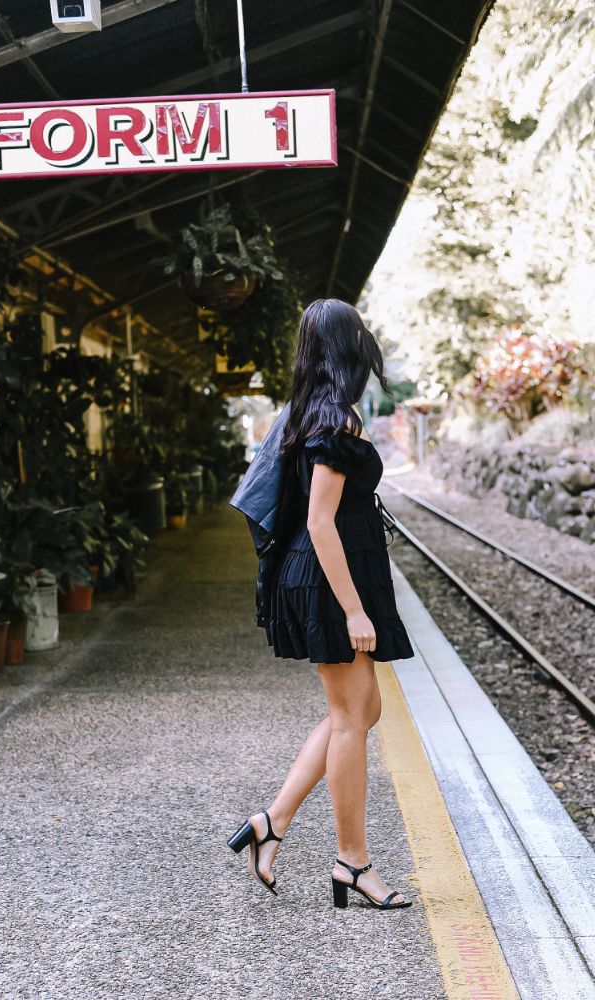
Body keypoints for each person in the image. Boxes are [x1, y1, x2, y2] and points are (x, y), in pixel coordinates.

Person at [227, 298, 416, 911]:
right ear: (348, 347)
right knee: (352, 718)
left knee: (357, 712)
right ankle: (352, 862)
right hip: (328, 582)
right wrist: (354, 610)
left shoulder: (313, 412)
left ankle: (271, 822)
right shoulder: (335, 422)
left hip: (330, 577)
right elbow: (319, 521)